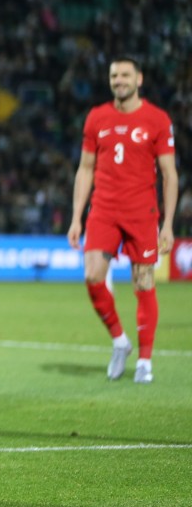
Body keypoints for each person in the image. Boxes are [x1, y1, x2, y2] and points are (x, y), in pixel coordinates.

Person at [67, 56, 177, 383]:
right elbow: (85, 169)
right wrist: (76, 217)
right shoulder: (96, 117)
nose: (119, 80)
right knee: (92, 275)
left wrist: (168, 223)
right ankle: (120, 340)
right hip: (103, 209)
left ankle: (145, 361)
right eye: (114, 75)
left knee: (143, 283)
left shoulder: (157, 119)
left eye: (126, 75)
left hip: (142, 212)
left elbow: (170, 174)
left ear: (139, 79)